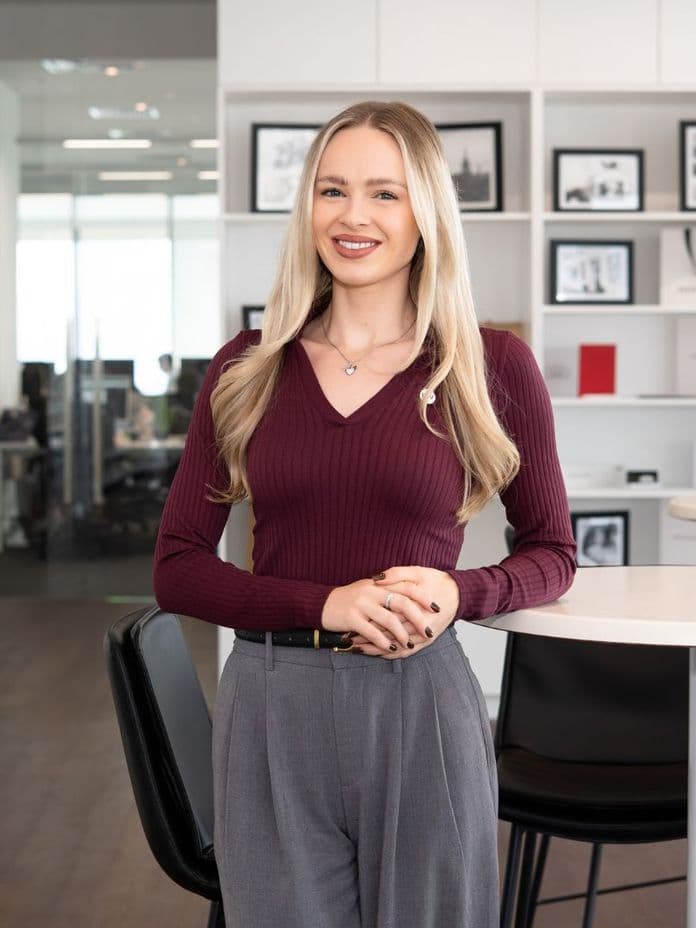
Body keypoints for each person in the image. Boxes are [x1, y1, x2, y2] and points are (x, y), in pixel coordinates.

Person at [152, 100, 577, 928]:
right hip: (272, 706)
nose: (353, 216)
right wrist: (324, 603)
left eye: (385, 194)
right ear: (307, 206)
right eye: (332, 189)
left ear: (425, 213)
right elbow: (176, 566)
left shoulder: (489, 366)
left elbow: (553, 552)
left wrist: (461, 592)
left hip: (422, 703)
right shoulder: (247, 368)